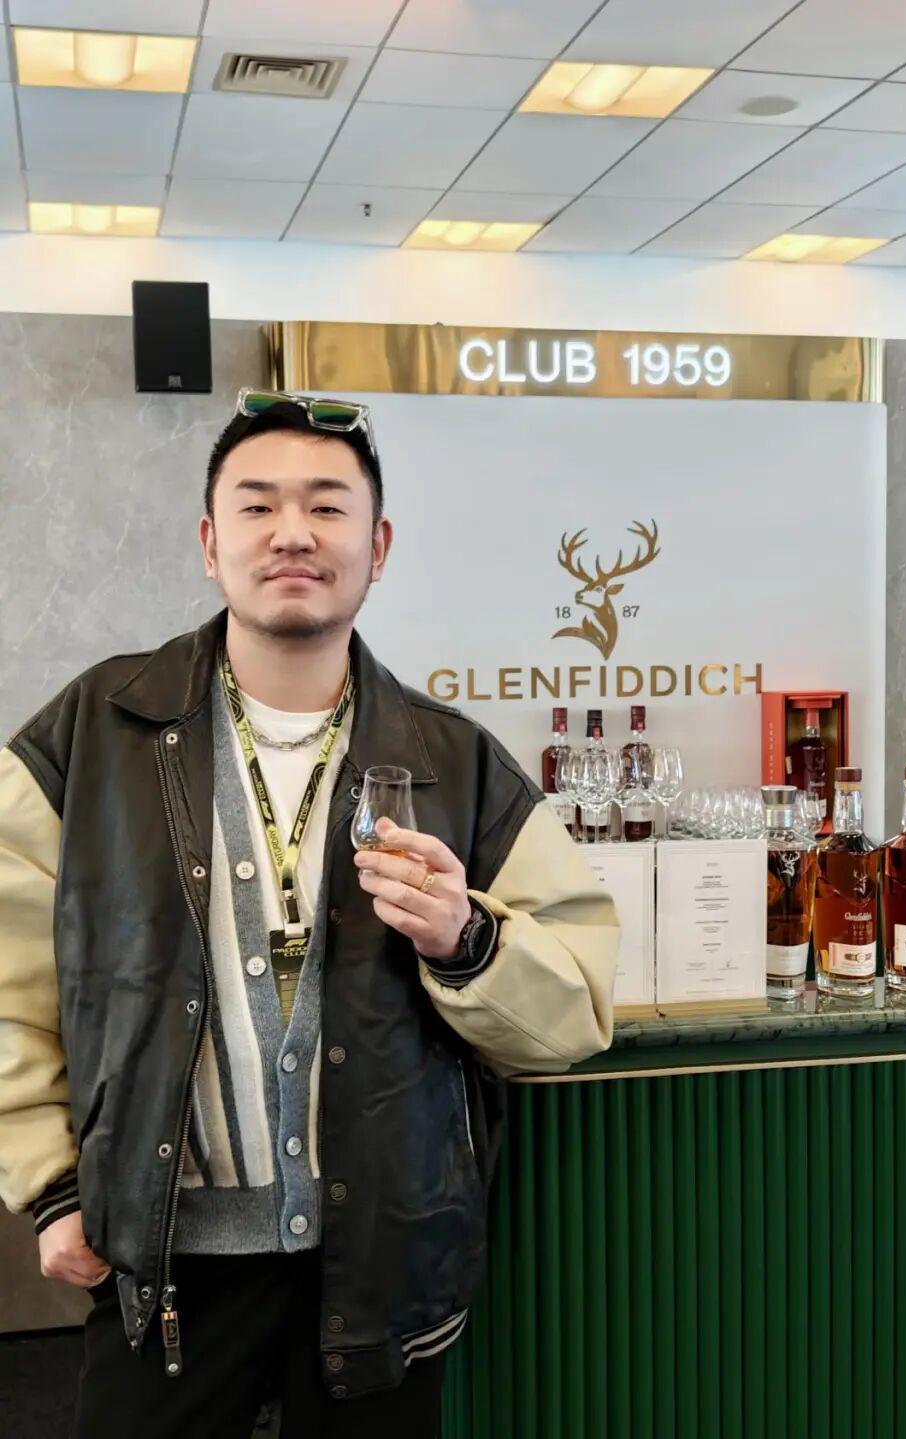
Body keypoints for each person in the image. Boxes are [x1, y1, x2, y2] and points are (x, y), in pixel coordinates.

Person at [0, 388, 619, 1438]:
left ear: (378, 547)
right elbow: (8, 977)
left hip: (381, 1263)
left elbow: (578, 1006)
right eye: (258, 505)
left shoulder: (455, 761)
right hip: (162, 1260)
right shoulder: (95, 732)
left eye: (328, 506)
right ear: (211, 542)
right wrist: (51, 1185)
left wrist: (465, 938)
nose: (293, 531)